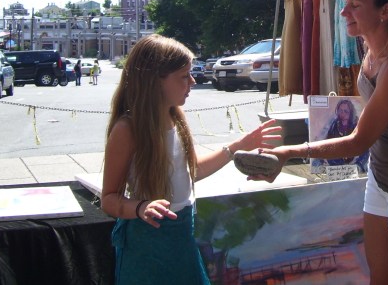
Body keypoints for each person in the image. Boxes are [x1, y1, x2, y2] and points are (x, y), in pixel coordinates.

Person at [257, 0, 388, 285]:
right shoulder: (371, 48)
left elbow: (359, 140)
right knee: (379, 278)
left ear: (385, 11)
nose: (343, 12)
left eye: (355, 5)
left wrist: (288, 152)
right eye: (345, 2)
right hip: (382, 176)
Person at [101, 34, 281, 284]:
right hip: (146, 245)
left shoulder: (176, 117)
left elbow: (192, 170)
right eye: (184, 76)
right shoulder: (127, 130)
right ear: (155, 80)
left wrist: (238, 147)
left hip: (183, 236)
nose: (193, 81)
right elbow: (109, 199)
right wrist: (140, 208)